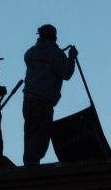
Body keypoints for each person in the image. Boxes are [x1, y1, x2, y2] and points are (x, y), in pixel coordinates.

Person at [22, 24, 78, 166]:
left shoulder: (31, 53)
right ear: (54, 36)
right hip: (43, 101)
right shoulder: (54, 54)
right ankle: (31, 169)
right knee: (40, 138)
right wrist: (71, 58)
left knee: (30, 136)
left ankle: (28, 166)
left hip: (28, 100)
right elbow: (66, 73)